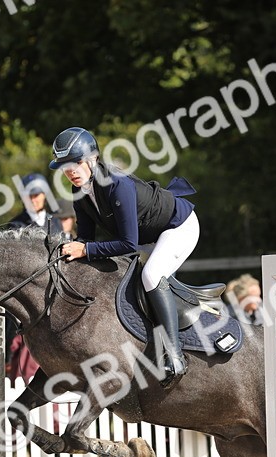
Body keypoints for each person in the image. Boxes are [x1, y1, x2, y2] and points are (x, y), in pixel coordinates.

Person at [49, 126, 197, 388]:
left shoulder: (117, 184)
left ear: (92, 159)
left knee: (152, 275)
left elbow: (129, 243)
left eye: (76, 163)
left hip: (178, 226)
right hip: (152, 236)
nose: (70, 171)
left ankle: (175, 355)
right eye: (64, 166)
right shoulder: (79, 192)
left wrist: (85, 250)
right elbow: (85, 238)